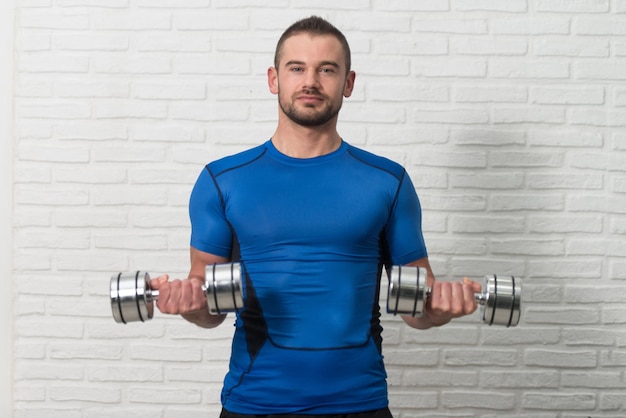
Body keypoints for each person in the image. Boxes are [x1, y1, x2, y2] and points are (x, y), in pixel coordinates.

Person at [151, 16, 481, 418]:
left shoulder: (388, 182)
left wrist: (440, 310)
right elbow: (210, 308)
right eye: (297, 68)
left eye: (327, 69)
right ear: (274, 79)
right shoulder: (222, 181)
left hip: (359, 404)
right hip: (254, 404)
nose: (311, 81)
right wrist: (186, 304)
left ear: (348, 83)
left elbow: (416, 308)